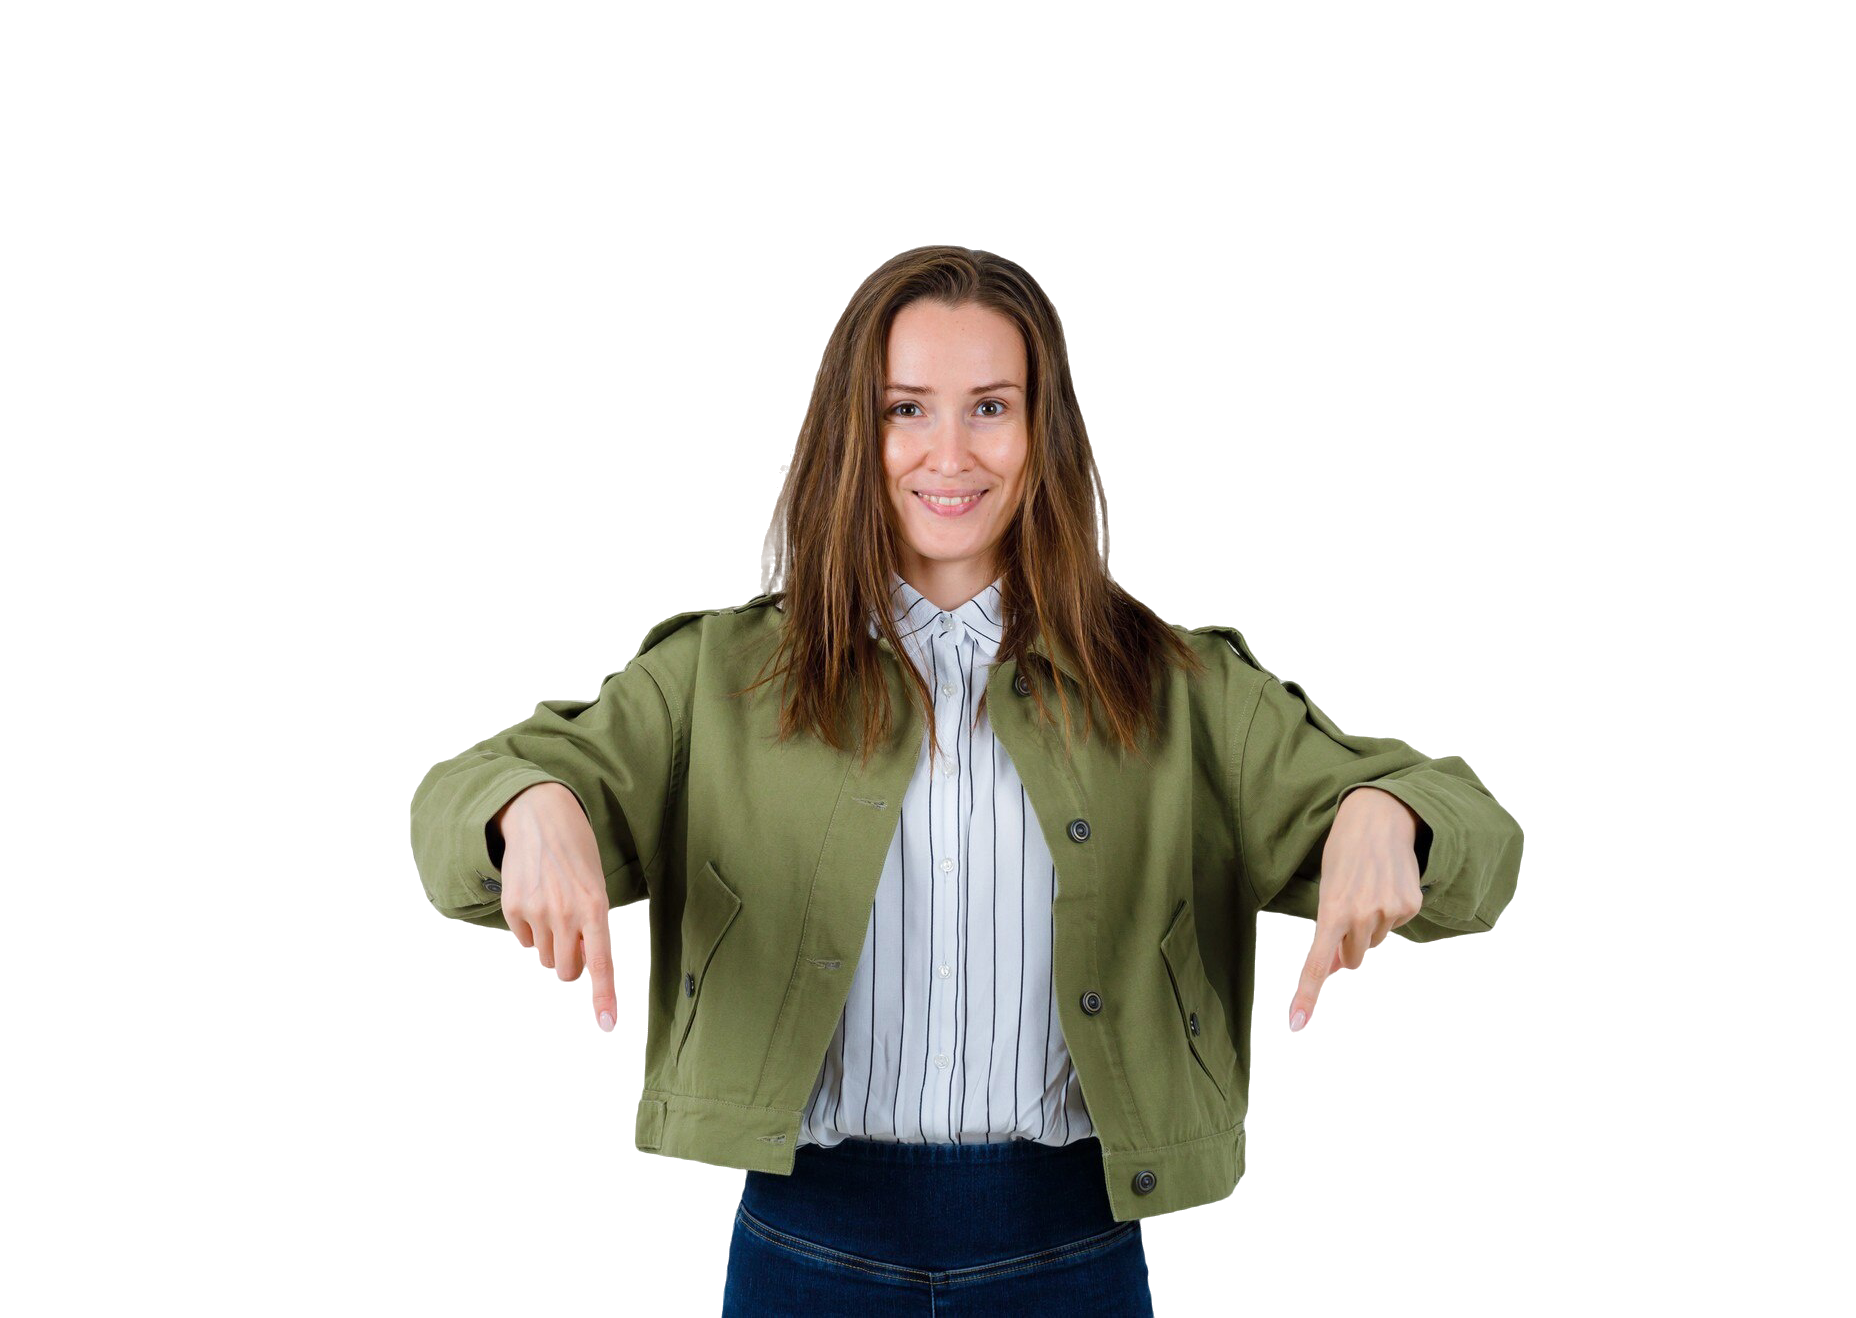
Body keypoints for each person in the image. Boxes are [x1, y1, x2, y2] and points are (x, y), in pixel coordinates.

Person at [393, 242, 1528, 1315]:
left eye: (991, 405)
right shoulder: (714, 675)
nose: (950, 454)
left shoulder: (1180, 682)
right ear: (854, 431)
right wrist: (528, 806)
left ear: (1044, 432)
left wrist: (1388, 810)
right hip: (800, 1250)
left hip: (1076, 1249)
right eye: (904, 409)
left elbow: (1487, 834)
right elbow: (448, 795)